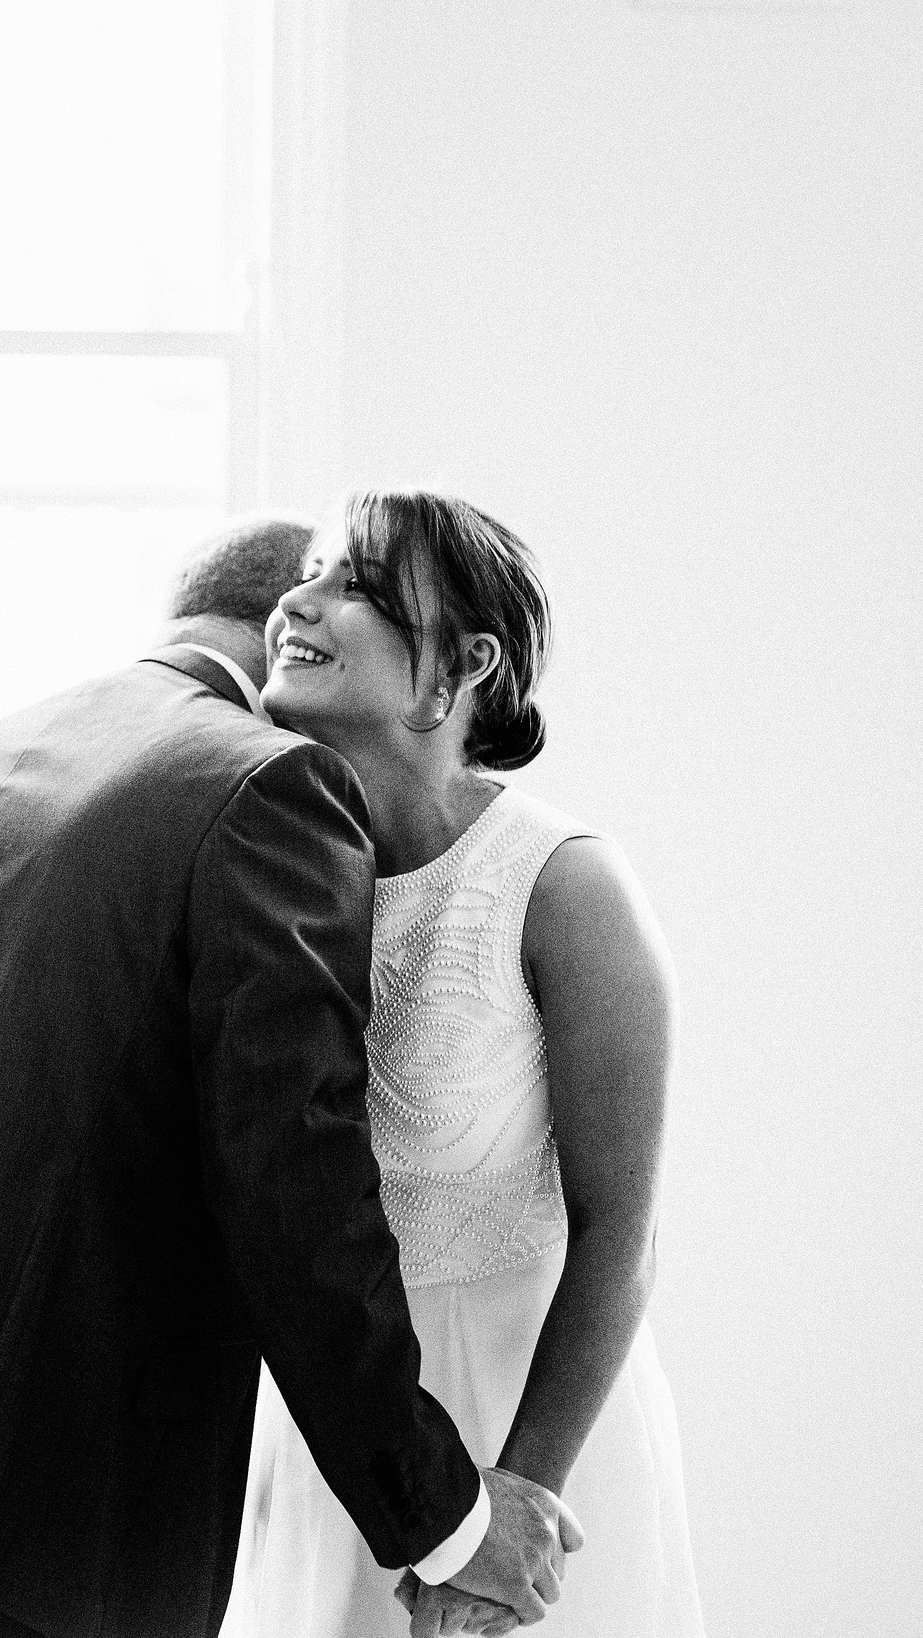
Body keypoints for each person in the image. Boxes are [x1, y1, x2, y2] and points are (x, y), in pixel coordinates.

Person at [0, 513, 581, 1638]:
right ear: (276, 619)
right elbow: (292, 1188)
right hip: (44, 1500)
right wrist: (444, 1519)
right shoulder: (271, 786)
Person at [229, 490, 703, 1638]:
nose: (296, 601)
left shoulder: (565, 887)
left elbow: (620, 1236)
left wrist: (516, 1499)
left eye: (352, 584)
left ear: (460, 665)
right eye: (308, 575)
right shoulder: (272, 872)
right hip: (336, 1424)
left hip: (527, 1421)